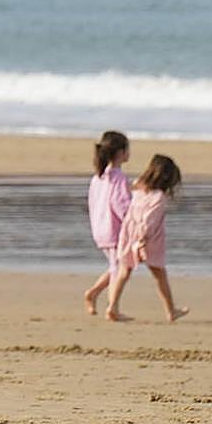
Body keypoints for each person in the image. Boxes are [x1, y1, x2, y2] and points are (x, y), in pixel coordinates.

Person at [105, 155, 189, 323]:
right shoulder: (158, 197)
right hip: (149, 239)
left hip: (129, 233)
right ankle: (171, 310)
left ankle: (112, 307)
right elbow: (149, 220)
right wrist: (142, 240)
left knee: (124, 271)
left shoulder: (138, 187)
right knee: (159, 274)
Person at [83, 131, 131, 316]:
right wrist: (132, 223)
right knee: (119, 268)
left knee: (116, 265)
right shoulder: (118, 178)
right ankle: (113, 307)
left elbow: (93, 202)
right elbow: (122, 205)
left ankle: (93, 293)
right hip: (115, 229)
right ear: (120, 152)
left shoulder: (98, 177)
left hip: (101, 227)